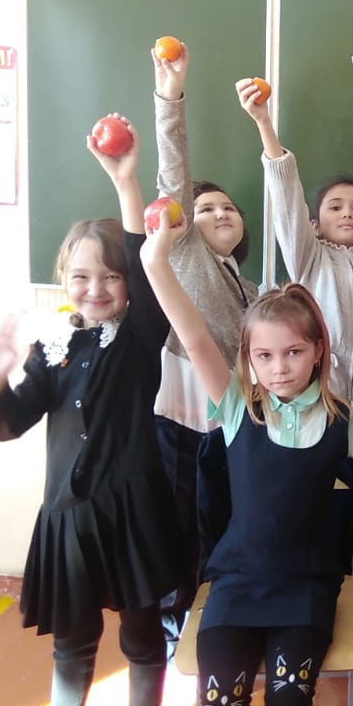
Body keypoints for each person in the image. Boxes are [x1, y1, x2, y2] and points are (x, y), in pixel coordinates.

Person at [141, 207, 353, 706]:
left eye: (293, 352)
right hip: (235, 585)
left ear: (317, 351)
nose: (279, 368)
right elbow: (194, 336)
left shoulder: (340, 418)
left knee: (288, 705)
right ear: (248, 358)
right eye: (264, 356)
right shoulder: (237, 406)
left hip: (306, 589)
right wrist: (155, 261)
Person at [0, 117, 182, 706]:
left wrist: (126, 182)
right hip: (69, 517)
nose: (96, 288)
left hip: (134, 514)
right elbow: (8, 423)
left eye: (110, 276)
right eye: (81, 276)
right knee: (72, 641)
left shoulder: (139, 335)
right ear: (64, 280)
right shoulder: (53, 347)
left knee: (142, 635)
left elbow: (144, 265)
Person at [238, 77, 353, 577]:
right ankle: (321, 583)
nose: (347, 212)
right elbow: (286, 202)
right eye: (335, 206)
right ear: (313, 224)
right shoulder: (309, 259)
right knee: (323, 514)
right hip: (319, 411)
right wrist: (265, 127)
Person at [149, 38, 259, 657]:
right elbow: (173, 177)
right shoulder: (186, 250)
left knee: (219, 531)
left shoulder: (249, 287)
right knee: (181, 538)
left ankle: (212, 637)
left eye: (229, 208)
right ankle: (175, 645)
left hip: (229, 423)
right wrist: (170, 95)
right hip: (186, 419)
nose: (219, 213)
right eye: (205, 207)